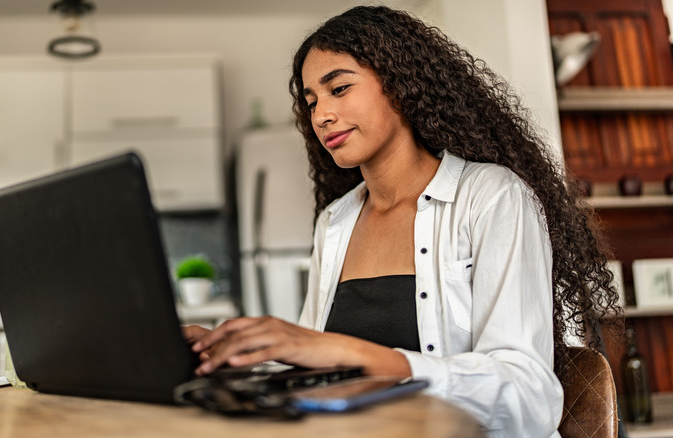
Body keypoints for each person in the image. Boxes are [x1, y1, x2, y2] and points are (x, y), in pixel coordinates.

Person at [184, 6, 621, 436]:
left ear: (399, 84)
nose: (320, 116)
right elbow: (324, 369)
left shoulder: (491, 197)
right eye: (311, 101)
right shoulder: (335, 222)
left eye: (338, 89)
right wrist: (239, 353)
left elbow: (527, 398)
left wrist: (361, 356)